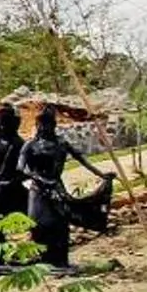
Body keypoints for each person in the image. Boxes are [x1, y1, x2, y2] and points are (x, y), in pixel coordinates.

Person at [22, 103, 114, 270]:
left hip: (57, 188)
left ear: (53, 125)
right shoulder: (30, 145)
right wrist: (38, 178)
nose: (44, 128)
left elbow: (82, 160)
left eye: (47, 124)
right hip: (38, 190)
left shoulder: (61, 143)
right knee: (39, 223)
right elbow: (21, 168)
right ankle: (43, 258)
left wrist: (102, 175)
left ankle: (60, 260)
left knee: (60, 223)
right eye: (41, 125)